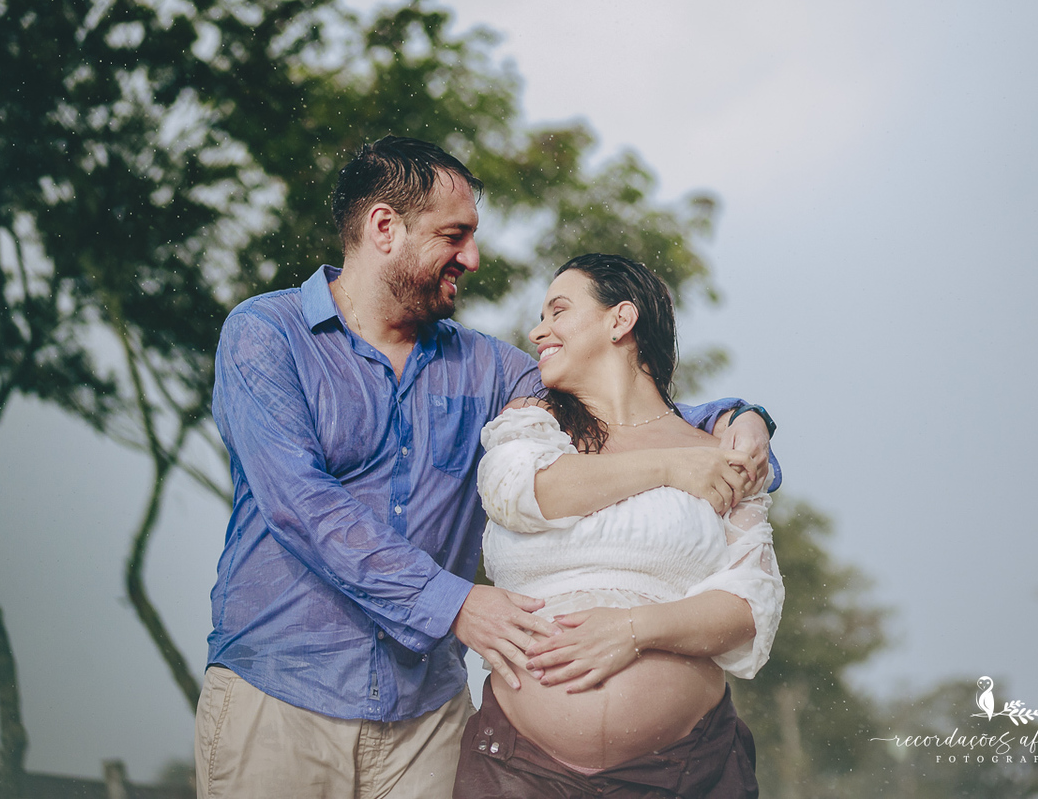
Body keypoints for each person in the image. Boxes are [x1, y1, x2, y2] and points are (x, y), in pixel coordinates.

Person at [194, 135, 777, 798]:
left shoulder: (489, 369)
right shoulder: (266, 334)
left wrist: (740, 423)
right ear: (385, 227)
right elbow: (302, 504)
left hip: (426, 723)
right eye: (455, 235)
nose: (471, 258)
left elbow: (624, 404)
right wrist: (458, 603)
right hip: (282, 695)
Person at [453, 254, 784, 799]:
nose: (539, 331)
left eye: (558, 311)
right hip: (519, 770)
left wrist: (633, 630)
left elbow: (750, 607)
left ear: (620, 320)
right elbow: (522, 493)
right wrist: (669, 466)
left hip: (687, 769)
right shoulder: (531, 428)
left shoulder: (722, 453)